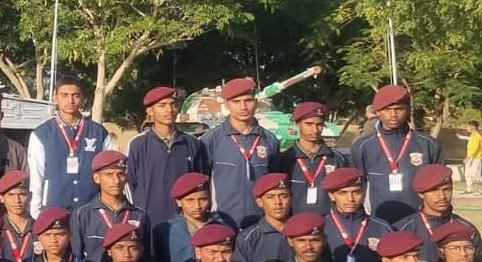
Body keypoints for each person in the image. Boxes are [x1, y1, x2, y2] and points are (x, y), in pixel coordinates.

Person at [351, 84, 443, 224]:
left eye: (399, 109)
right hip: (379, 221)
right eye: (387, 109)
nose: (393, 114)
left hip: (421, 221)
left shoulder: (428, 144)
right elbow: (354, 188)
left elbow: (440, 186)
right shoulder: (363, 146)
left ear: (408, 110)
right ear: (377, 111)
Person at [199, 78, 281, 228]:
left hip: (261, 223)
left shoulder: (270, 140)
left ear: (256, 103)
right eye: (236, 102)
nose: (243, 107)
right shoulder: (210, 140)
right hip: (222, 222)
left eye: (248, 100)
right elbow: (201, 185)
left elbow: (275, 183)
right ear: (227, 104)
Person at [126, 86, 210, 228]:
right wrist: (137, 213)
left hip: (184, 222)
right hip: (149, 221)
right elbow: (129, 183)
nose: (169, 110)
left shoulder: (192, 143)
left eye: (173, 104)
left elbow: (201, 183)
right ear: (150, 111)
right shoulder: (137, 144)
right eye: (162, 105)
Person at [28, 78, 115, 212]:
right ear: (55, 98)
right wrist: (36, 210)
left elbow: (110, 171)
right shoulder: (41, 134)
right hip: (54, 208)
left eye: (76, 95)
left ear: (83, 98)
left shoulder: (99, 132)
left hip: (92, 208)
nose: (70, 101)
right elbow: (36, 175)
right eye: (65, 95)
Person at [395, 164, 479, 262]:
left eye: (446, 190)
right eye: (434, 191)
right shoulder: (403, 229)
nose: (442, 196)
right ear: (421, 194)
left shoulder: (467, 229)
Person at [70, 150, 150, 262]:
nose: (116, 181)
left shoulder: (140, 216)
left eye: (120, 174)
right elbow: (76, 258)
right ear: (96, 178)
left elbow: (147, 260)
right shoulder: (82, 214)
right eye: (109, 174)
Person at [152, 172, 237, 262]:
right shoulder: (164, 232)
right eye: (190, 200)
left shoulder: (223, 228)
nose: (197, 206)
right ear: (178, 202)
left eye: (203, 199)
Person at [322, 167, 393, 262]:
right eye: (343, 193)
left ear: (364, 191)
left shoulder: (381, 227)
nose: (350, 199)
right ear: (332, 195)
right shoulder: (322, 226)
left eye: (356, 192)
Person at [278, 102, 348, 215]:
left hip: (330, 223)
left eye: (319, 124)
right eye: (309, 124)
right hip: (295, 222)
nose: (315, 130)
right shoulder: (284, 159)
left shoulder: (338, 159)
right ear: (298, 124)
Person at [236, 172, 294, 262]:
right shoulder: (247, 238)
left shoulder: (302, 233)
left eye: (283, 196)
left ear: (292, 199)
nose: (278, 202)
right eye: (270, 197)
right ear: (259, 202)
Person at [0, 170, 36, 262]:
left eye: (22, 194)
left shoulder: (40, 229)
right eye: (11, 195)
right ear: (1, 198)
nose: (17, 200)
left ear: (30, 196)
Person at [465, 120, 482, 196]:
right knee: (467, 174)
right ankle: (469, 189)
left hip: (475, 158)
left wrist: (468, 157)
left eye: (467, 126)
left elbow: (474, 148)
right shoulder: (473, 136)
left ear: (472, 127)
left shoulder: (477, 136)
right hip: (471, 157)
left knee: (474, 174)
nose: (466, 128)